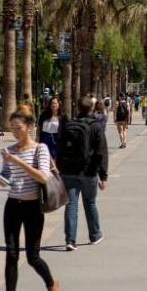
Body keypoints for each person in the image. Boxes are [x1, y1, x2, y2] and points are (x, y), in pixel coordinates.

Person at [0, 109, 59, 291]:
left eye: (19, 128)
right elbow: (6, 180)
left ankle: (51, 284)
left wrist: (16, 161)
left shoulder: (40, 149)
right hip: (13, 206)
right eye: (12, 129)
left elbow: (43, 177)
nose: (15, 133)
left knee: (33, 257)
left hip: (33, 207)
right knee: (11, 253)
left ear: (29, 127)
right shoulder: (9, 150)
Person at [58, 97, 109, 251]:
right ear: (91, 108)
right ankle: (94, 234)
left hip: (69, 171)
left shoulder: (69, 124)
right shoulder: (95, 126)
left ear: (78, 108)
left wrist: (60, 169)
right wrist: (103, 176)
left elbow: (60, 148)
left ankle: (70, 240)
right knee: (90, 203)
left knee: (71, 205)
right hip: (89, 171)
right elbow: (101, 152)